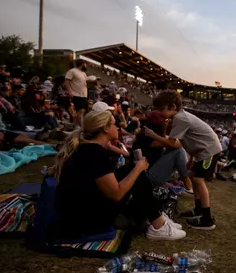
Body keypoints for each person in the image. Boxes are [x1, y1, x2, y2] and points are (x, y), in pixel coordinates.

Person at [54, 110, 186, 241]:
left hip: (79, 209)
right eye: (113, 124)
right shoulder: (94, 153)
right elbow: (116, 194)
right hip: (84, 220)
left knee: (131, 170)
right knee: (135, 173)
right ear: (105, 128)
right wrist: (138, 168)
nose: (117, 127)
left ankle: (156, 218)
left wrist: (134, 169)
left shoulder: (89, 148)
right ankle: (157, 224)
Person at [144, 90, 221, 230]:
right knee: (193, 177)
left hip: (209, 149)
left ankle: (207, 218)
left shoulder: (180, 118)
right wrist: (192, 156)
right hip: (201, 150)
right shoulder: (178, 117)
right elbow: (190, 139)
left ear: (173, 107)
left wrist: (154, 135)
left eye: (162, 109)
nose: (160, 112)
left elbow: (172, 143)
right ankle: (199, 210)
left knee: (198, 180)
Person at [64, 59, 89, 127]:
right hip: (77, 94)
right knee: (80, 112)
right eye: (85, 64)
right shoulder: (72, 71)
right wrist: (70, 92)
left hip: (84, 95)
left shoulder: (83, 73)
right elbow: (66, 81)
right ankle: (82, 128)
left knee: (83, 111)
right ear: (82, 64)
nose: (86, 66)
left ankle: (74, 126)